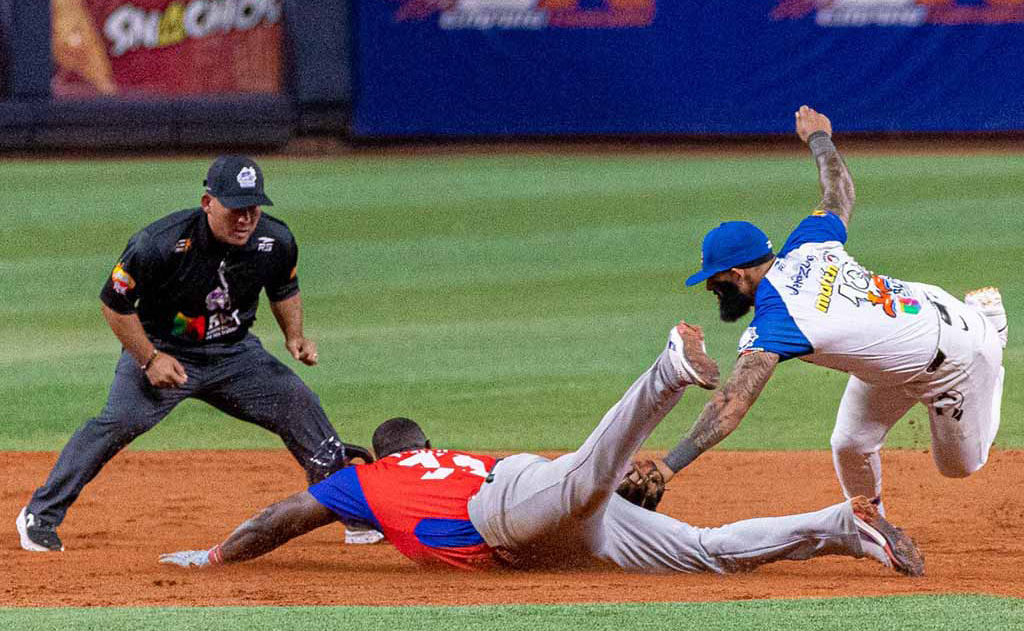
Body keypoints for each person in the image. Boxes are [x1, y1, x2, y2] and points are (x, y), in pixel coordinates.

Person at [159, 322, 924, 576]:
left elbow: (281, 517)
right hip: (530, 496)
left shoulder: (365, 482)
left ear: (378, 459)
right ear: (428, 444)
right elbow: (568, 492)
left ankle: (667, 372)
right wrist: (615, 489)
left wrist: (218, 557)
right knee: (704, 549)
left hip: (510, 517)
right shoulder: (454, 458)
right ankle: (843, 528)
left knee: (589, 479)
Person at [618, 106, 1006, 517]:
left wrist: (666, 467)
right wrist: (820, 138)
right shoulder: (807, 242)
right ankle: (871, 521)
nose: (712, 288)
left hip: (957, 359)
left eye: (715, 279)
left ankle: (993, 328)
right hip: (915, 327)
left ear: (738, 273)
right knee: (850, 444)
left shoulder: (778, 320)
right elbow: (839, 192)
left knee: (959, 468)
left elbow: (730, 404)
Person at [17, 155, 381, 552]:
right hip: (165, 350)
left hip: (236, 355)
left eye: (253, 208)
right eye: (235, 209)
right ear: (208, 202)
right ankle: (40, 514)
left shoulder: (274, 240)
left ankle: (354, 512)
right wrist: (149, 359)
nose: (245, 219)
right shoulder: (158, 243)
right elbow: (114, 303)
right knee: (118, 422)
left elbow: (283, 288)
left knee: (300, 404)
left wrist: (295, 336)